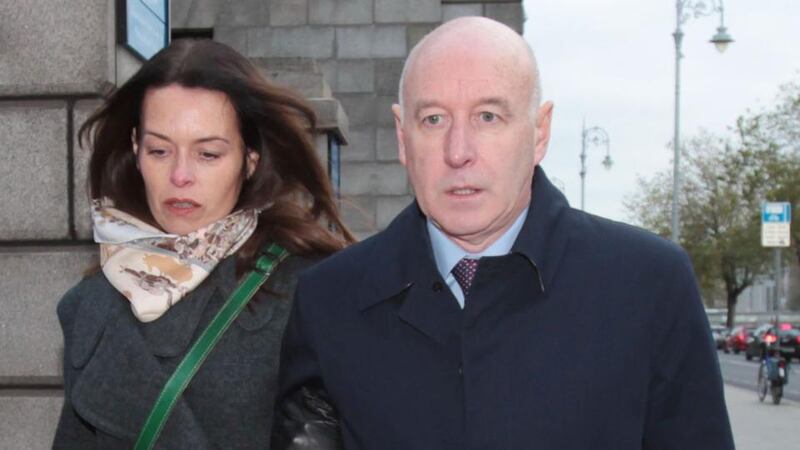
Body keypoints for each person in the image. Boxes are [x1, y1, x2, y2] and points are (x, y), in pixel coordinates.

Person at [272, 17, 734, 449]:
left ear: (539, 131)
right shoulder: (329, 299)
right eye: (433, 119)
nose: (458, 152)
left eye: (488, 116)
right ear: (402, 137)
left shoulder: (650, 283)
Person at [53, 39, 353, 449]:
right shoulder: (89, 305)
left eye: (208, 154)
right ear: (136, 150)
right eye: (160, 150)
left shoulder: (309, 289)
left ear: (249, 160)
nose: (180, 175)